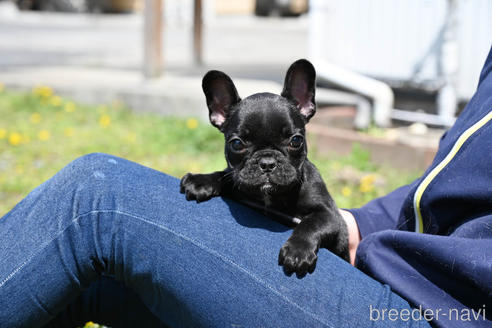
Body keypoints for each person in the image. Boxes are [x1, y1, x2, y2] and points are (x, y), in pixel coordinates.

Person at [1, 48, 491, 328]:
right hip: (393, 275)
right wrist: (372, 221)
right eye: (242, 148)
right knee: (90, 284)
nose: (269, 162)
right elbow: (445, 182)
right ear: (219, 117)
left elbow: (322, 215)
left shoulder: (307, 184)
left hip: (431, 314)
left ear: (306, 107)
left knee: (93, 197)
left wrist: (317, 231)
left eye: (289, 145)